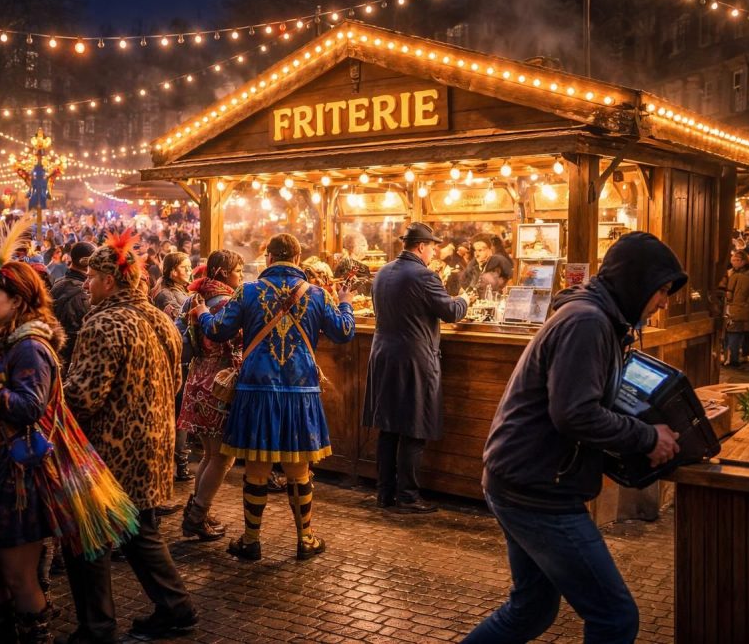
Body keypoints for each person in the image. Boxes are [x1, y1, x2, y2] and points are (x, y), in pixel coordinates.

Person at [461, 231, 684, 644]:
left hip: (522, 477)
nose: (664, 303)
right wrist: (645, 437)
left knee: (530, 611)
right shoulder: (588, 321)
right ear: (638, 282)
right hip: (538, 489)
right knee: (615, 617)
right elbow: (575, 414)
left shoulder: (599, 318)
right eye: (662, 291)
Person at [0, 227, 137, 643]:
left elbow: (29, 407)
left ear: (16, 301)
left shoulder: (30, 347)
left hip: (15, 477)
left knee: (18, 578)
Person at [63, 231, 198, 641]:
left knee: (90, 538)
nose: (85, 285)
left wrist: (50, 393)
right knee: (141, 532)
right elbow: (175, 382)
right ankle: (177, 608)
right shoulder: (160, 318)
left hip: (107, 452)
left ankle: (97, 627)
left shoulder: (103, 322)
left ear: (110, 279)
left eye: (90, 278)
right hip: (154, 446)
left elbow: (83, 396)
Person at [196, 233, 356, 561]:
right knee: (299, 471)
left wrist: (200, 313)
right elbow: (343, 331)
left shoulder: (248, 291)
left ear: (268, 258)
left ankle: (251, 540)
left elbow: (216, 330)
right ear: (297, 260)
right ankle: (306, 539)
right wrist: (345, 300)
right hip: (300, 390)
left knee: (256, 468)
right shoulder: (317, 294)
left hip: (256, 389)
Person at [361, 222, 470, 513]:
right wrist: (465, 299)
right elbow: (451, 312)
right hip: (413, 360)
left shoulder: (383, 272)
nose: (434, 251)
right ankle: (408, 496)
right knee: (413, 427)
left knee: (388, 427)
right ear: (421, 246)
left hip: (383, 356)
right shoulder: (424, 276)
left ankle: (384, 493)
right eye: (432, 247)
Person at [177, 250, 246, 541]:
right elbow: (232, 343)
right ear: (221, 273)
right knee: (222, 458)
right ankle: (197, 515)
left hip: (198, 379)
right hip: (218, 384)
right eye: (238, 272)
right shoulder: (224, 303)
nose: (241, 277)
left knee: (210, 453)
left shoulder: (197, 298)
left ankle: (197, 511)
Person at [152, 251, 196, 484]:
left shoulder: (183, 291)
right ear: (171, 271)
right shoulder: (166, 295)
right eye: (184, 267)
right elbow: (179, 324)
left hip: (183, 358)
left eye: (189, 267)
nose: (188, 270)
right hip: (175, 360)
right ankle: (180, 462)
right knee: (179, 413)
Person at [50, 241, 96, 370]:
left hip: (53, 359)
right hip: (68, 364)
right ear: (86, 262)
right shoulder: (84, 294)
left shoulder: (57, 284)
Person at [719, 249, 749, 367]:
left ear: (743, 262)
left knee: (733, 336)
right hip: (745, 310)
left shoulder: (736, 276)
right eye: (733, 260)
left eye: (737, 260)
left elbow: (729, 294)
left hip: (735, 309)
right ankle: (734, 358)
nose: (734, 262)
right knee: (736, 335)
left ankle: (732, 359)